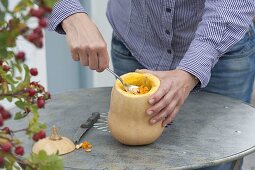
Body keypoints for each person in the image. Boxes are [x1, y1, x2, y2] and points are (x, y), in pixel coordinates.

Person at [48, 1, 255, 169]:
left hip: (220, 48)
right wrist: (70, 13)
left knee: (217, 162)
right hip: (136, 41)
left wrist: (191, 70)